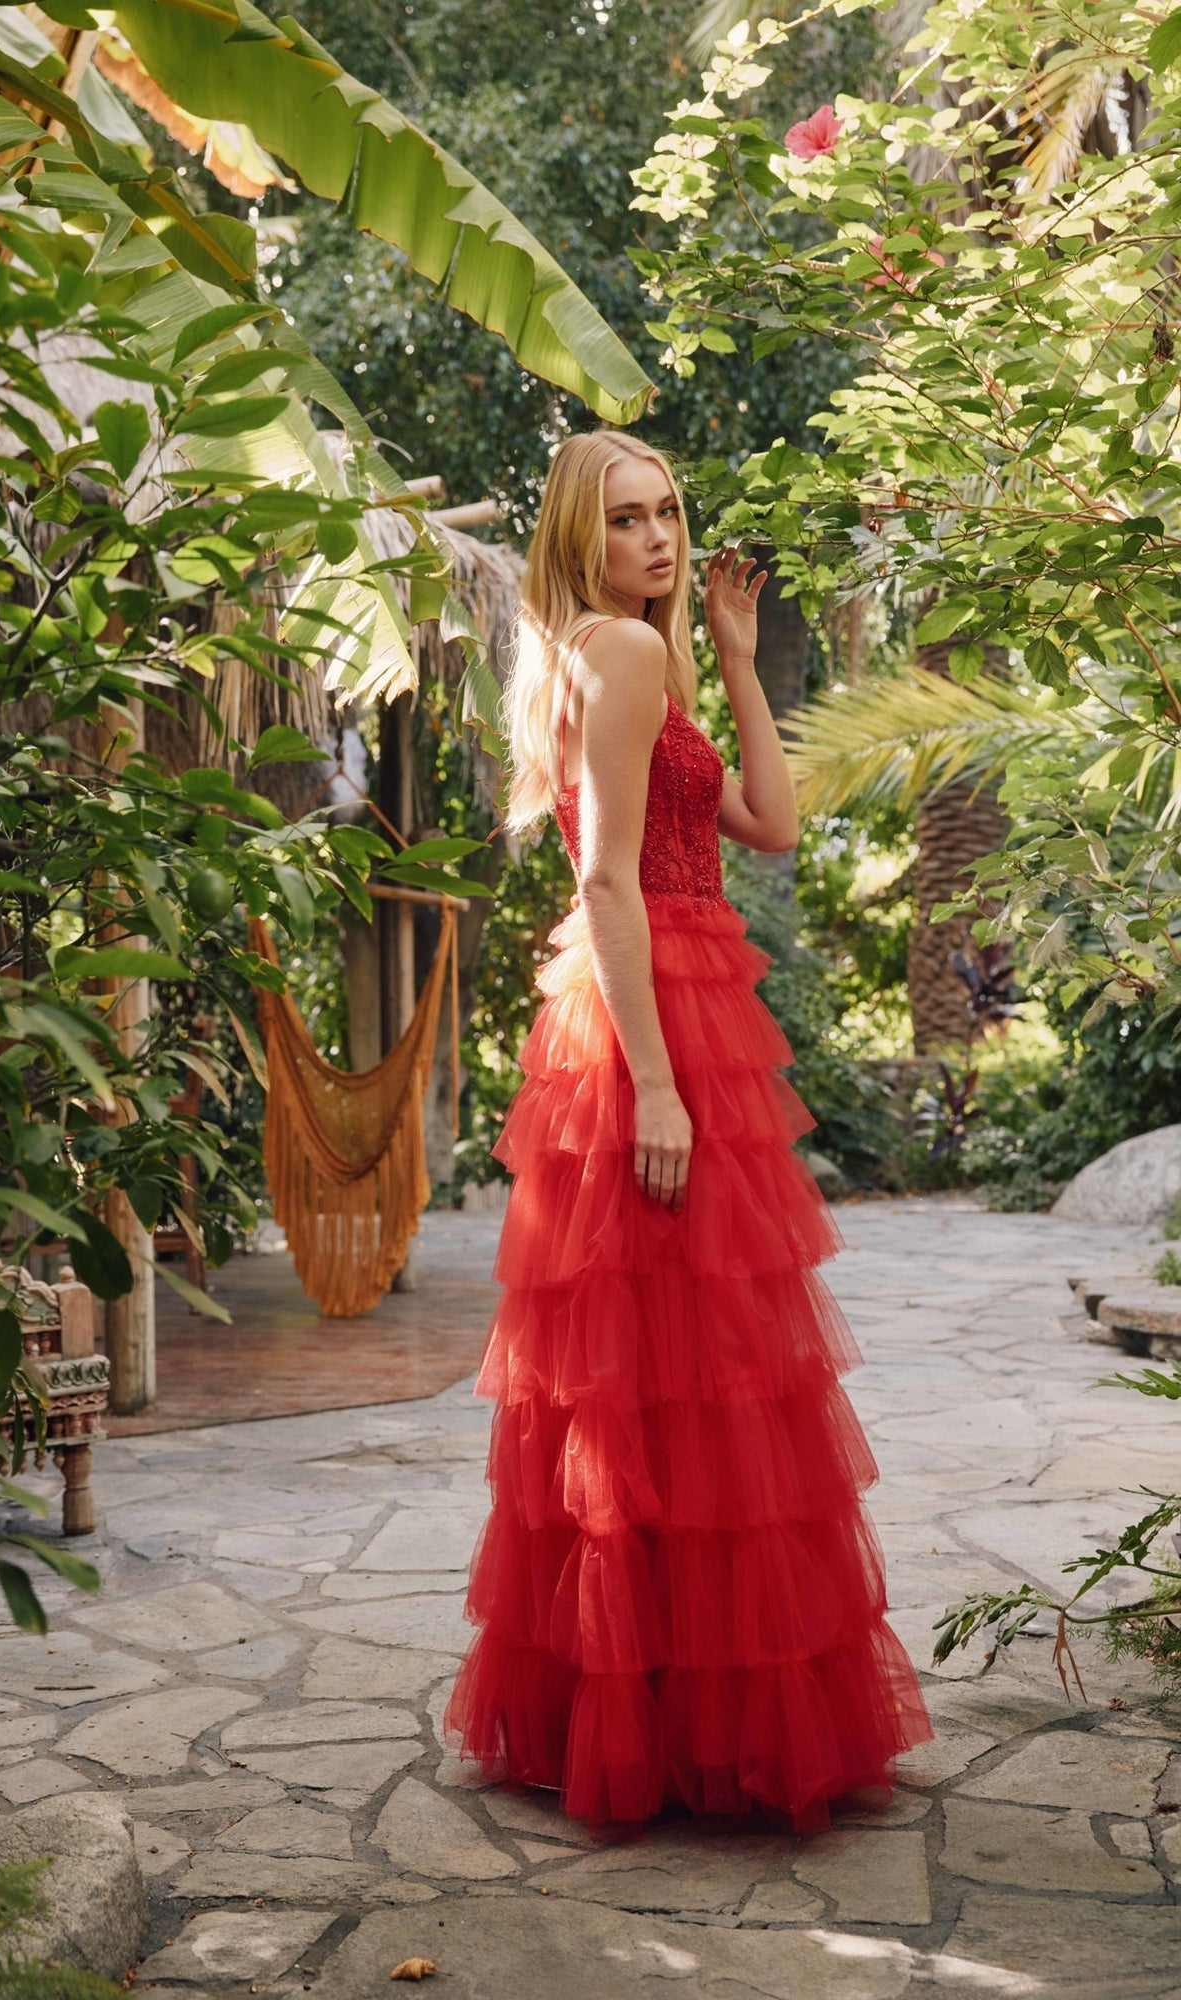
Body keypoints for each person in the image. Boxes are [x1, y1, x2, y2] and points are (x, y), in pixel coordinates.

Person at [445, 430, 931, 1829]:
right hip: (659, 1013)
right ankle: (676, 1722)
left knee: (663, 1375)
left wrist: (732, 647)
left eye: (669, 513)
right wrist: (656, 1083)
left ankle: (640, 1714)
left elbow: (769, 826)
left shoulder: (627, 652)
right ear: (577, 542)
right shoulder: (618, 651)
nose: (658, 539)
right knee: (696, 1374)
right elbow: (605, 882)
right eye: (627, 522)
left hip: (669, 1002)